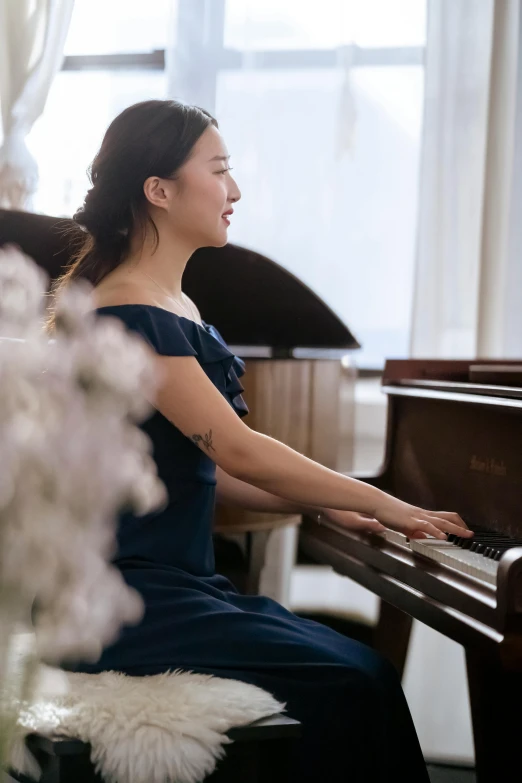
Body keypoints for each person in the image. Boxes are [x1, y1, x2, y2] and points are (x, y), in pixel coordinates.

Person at [49, 100, 472, 782]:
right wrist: (382, 499)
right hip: (124, 600)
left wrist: (318, 505)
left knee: (362, 672)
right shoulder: (128, 311)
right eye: (219, 170)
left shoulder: (172, 307)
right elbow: (239, 449)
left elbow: (206, 467)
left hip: (177, 586)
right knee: (358, 680)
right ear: (158, 191)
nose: (235, 190)